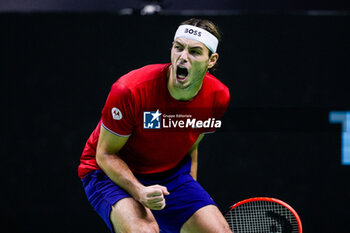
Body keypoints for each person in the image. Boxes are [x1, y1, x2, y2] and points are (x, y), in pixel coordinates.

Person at [78, 18, 231, 233]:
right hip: (107, 172)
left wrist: (190, 197)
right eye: (178, 48)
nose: (182, 57)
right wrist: (139, 191)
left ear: (211, 60)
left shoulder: (218, 97)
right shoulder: (130, 90)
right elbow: (105, 155)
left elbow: (190, 147)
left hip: (170, 175)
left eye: (195, 52)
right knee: (145, 230)